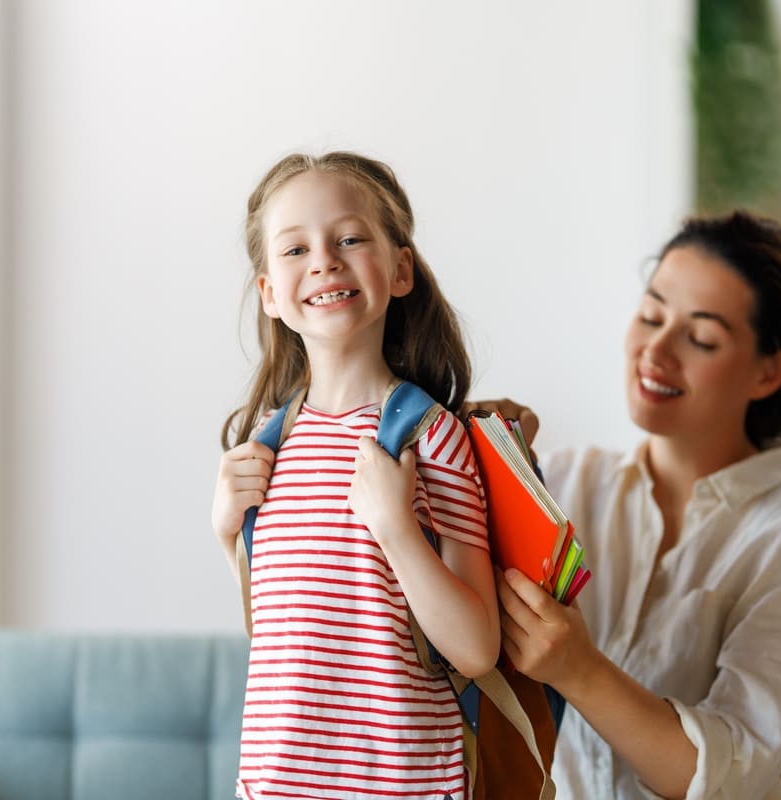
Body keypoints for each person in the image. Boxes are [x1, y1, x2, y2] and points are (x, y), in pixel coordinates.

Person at [467, 210, 781, 800]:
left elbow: (728, 779)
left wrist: (578, 669)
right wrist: (467, 454)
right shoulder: (565, 483)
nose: (657, 351)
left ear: (769, 371)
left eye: (700, 338)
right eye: (651, 315)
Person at [210, 151, 499, 800]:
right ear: (269, 295)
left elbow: (477, 650)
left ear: (400, 270)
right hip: (275, 786)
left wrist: (396, 528)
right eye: (295, 250)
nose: (324, 261)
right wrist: (228, 536)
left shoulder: (431, 437)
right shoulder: (266, 445)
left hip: (407, 787)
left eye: (349, 238)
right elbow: (284, 634)